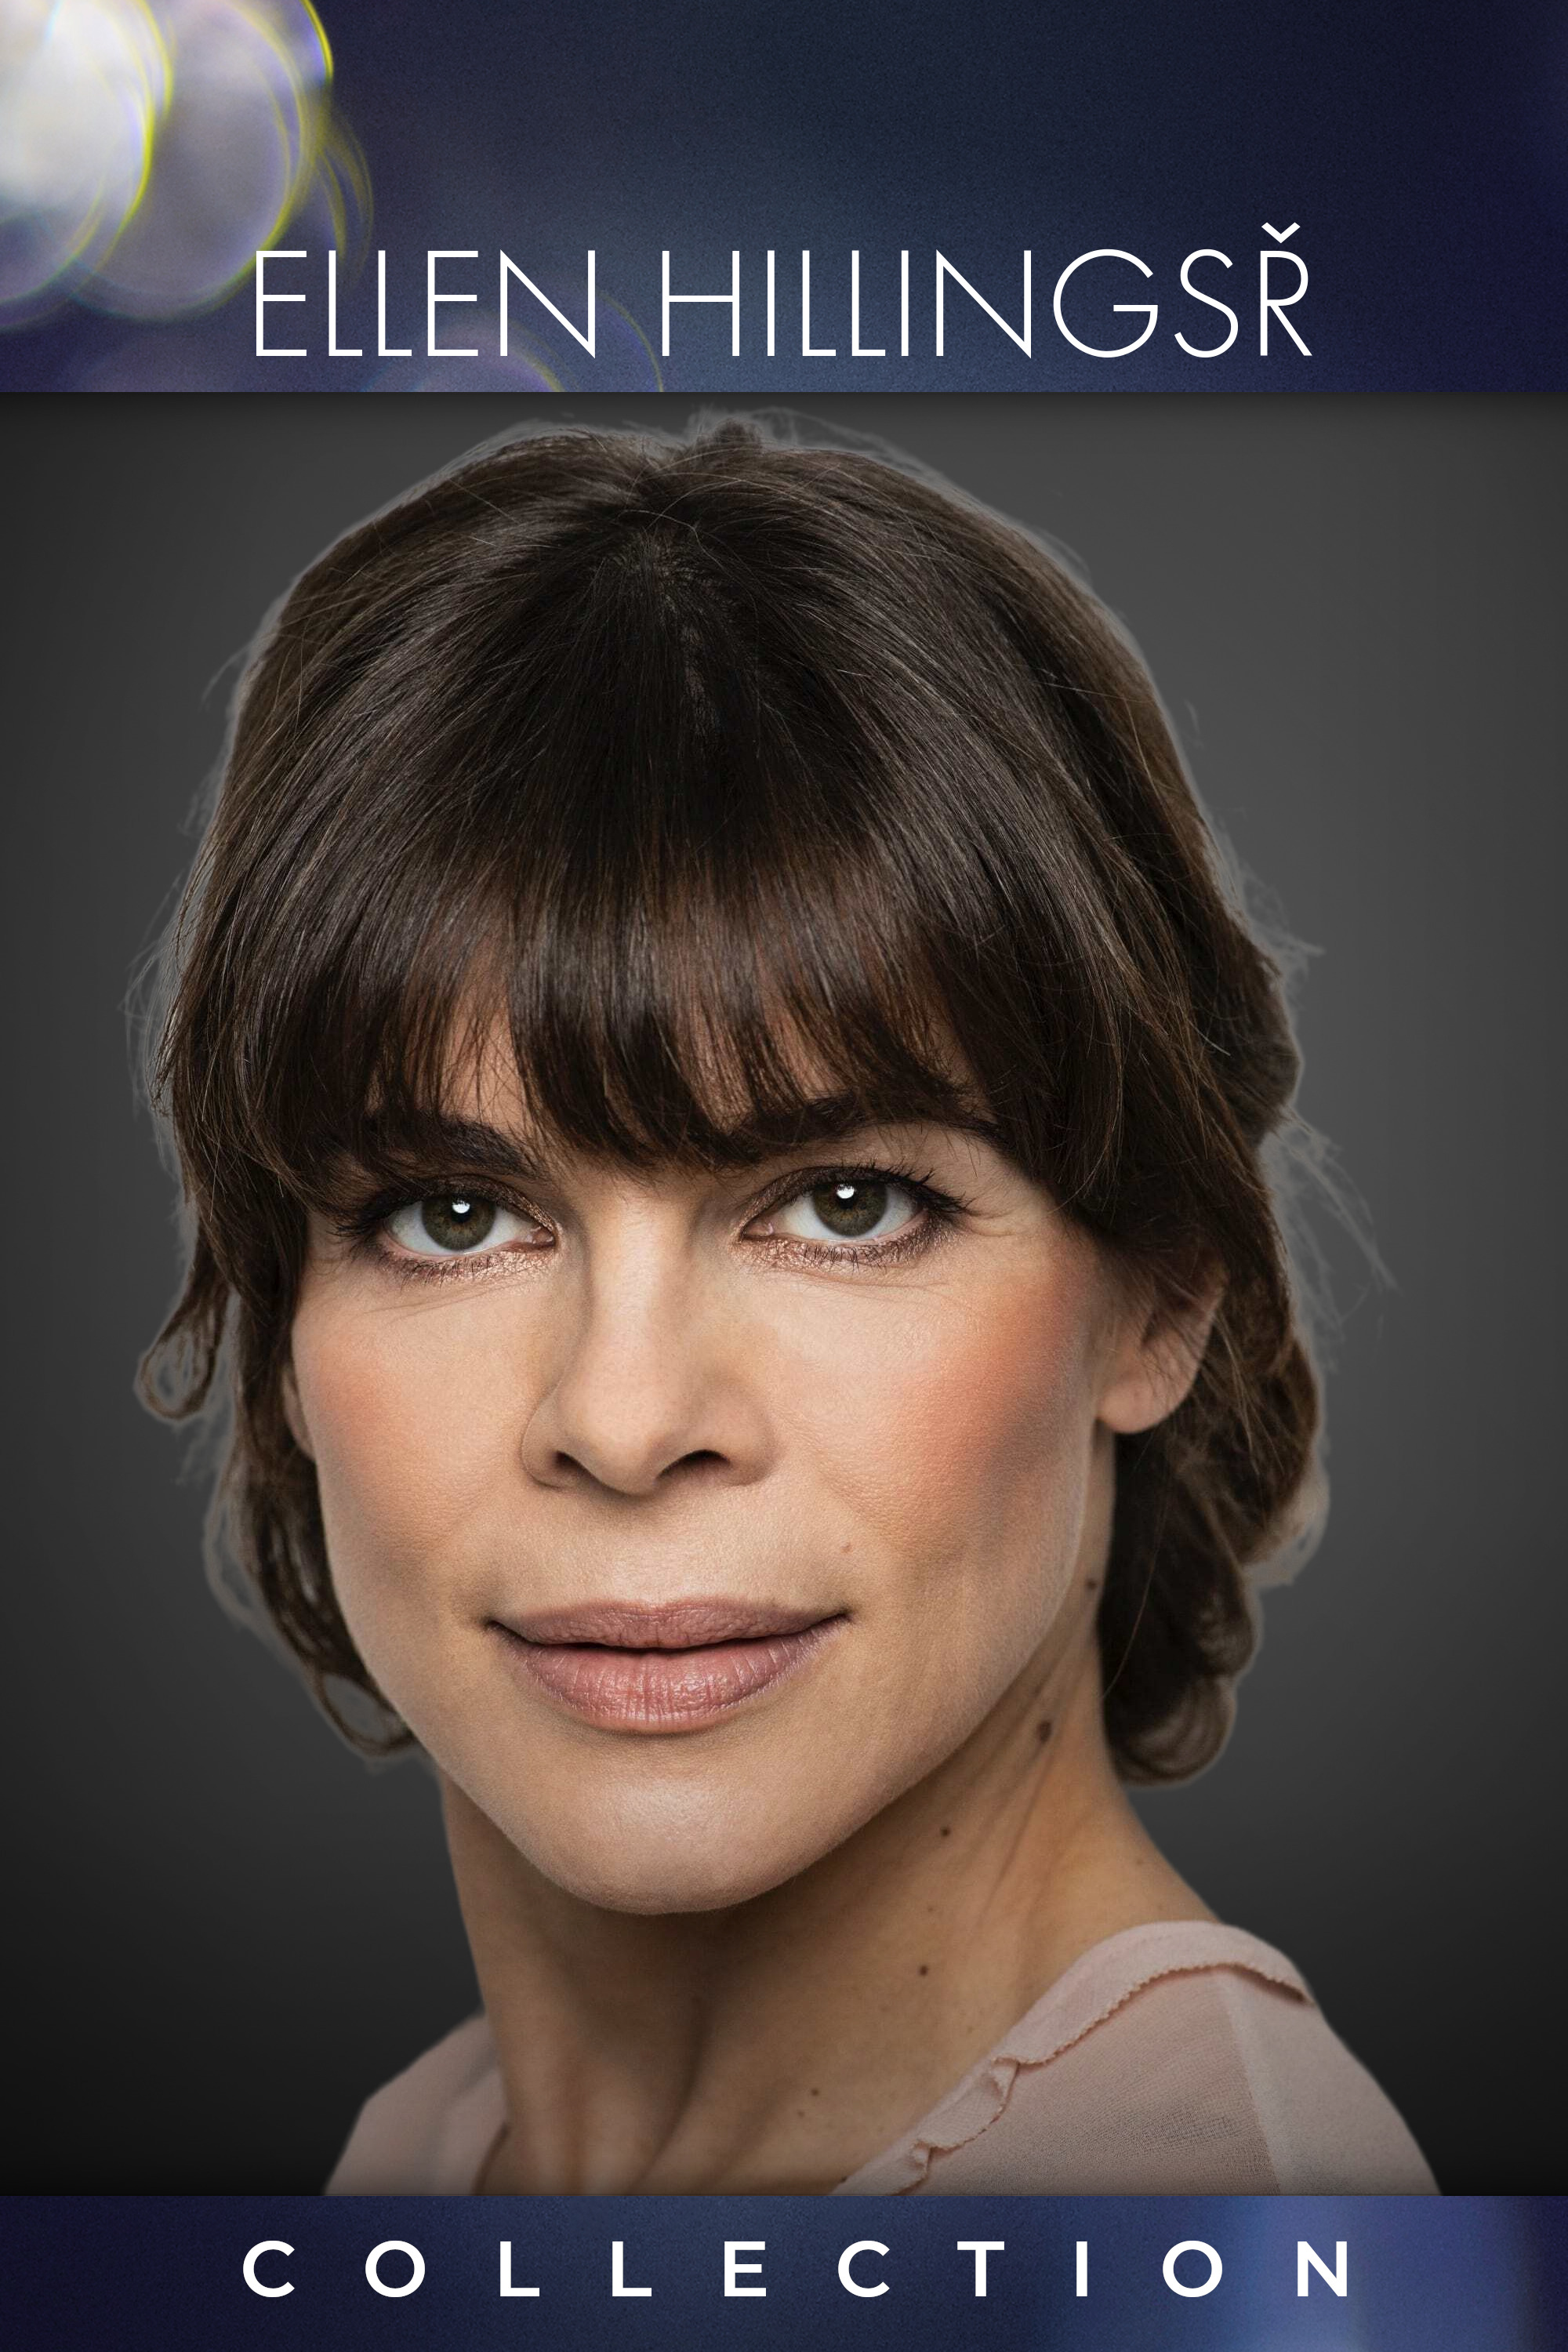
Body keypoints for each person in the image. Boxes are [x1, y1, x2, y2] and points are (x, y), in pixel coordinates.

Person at [140, 415, 1435, 2195]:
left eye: (845, 1205)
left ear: (1160, 1296)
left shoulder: (1211, 2229)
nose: (623, 1419)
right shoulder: (422, 2161)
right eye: (452, 1216)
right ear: (281, 1324)